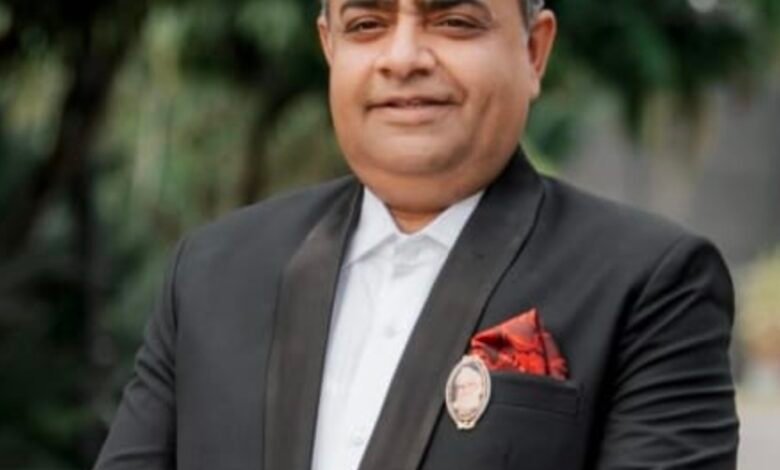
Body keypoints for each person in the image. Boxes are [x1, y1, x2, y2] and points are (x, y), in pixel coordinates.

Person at [94, 0, 739, 469]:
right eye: (366, 25)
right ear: (330, 47)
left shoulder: (649, 284)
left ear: (534, 51)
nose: (402, 58)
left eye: (453, 21)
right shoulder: (213, 272)